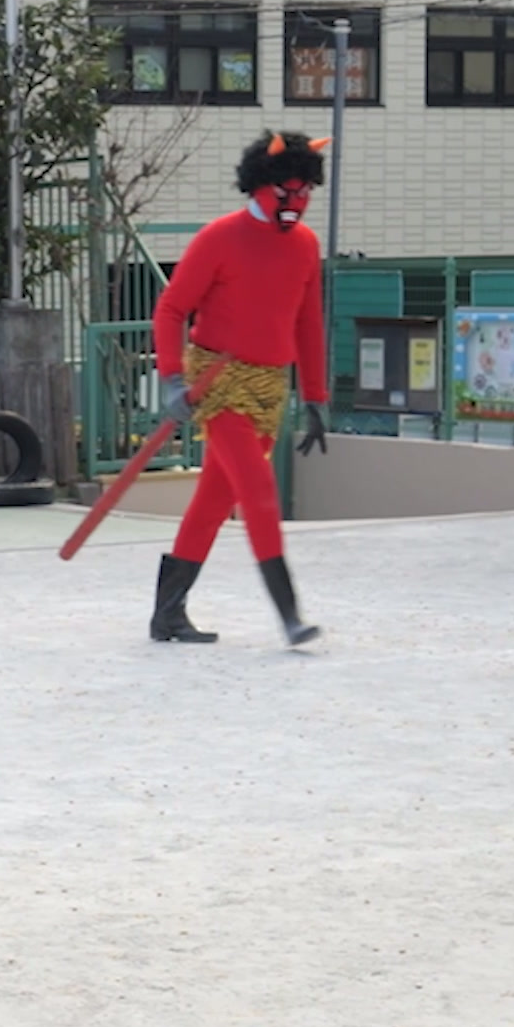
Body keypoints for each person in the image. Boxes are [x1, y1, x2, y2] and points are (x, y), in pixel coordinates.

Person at [148, 132, 333, 648]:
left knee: (214, 500)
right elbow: (171, 309)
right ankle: (289, 615)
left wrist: (315, 396)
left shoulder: (305, 246)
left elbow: (308, 323)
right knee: (258, 490)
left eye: (305, 193)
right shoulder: (219, 238)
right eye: (286, 192)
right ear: (260, 186)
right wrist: (172, 378)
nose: (296, 203)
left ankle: (167, 614)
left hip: (270, 388)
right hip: (220, 382)